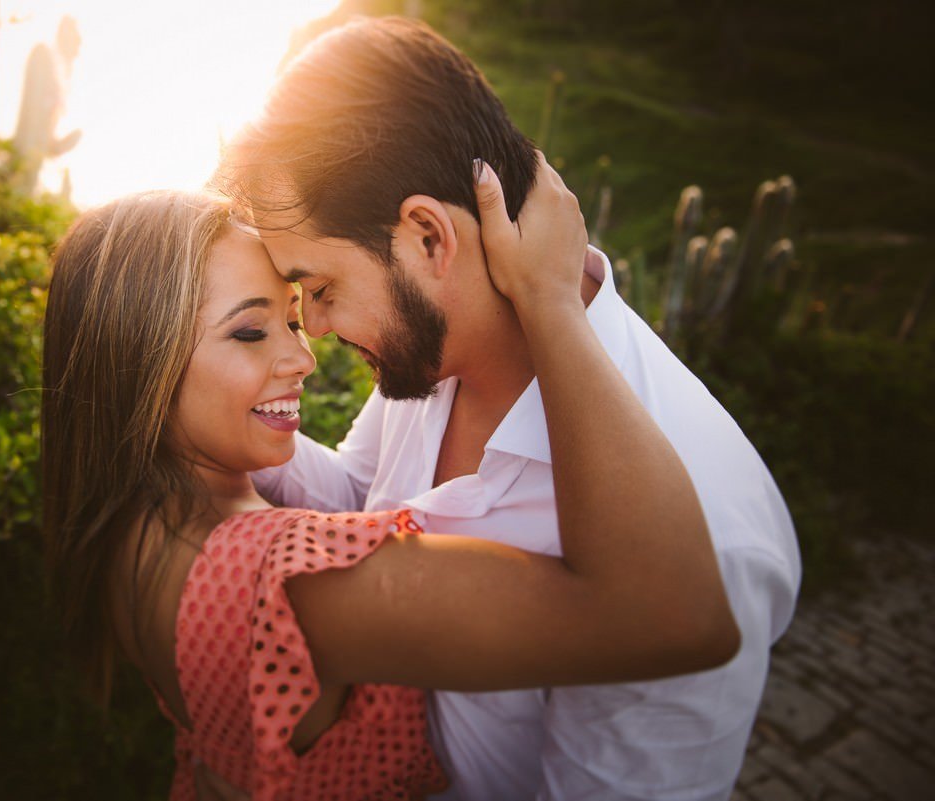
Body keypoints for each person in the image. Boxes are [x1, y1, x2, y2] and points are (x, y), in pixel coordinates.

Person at [216, 16, 802, 801]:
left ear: (428, 237)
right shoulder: (440, 348)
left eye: (320, 290)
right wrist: (213, 429)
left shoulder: (710, 537)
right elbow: (361, 500)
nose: (313, 329)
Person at [40, 170, 737, 800]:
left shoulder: (126, 518)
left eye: (295, 313)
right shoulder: (288, 583)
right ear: (140, 365)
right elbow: (676, 617)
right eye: (252, 331)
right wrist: (551, 300)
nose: (304, 354)